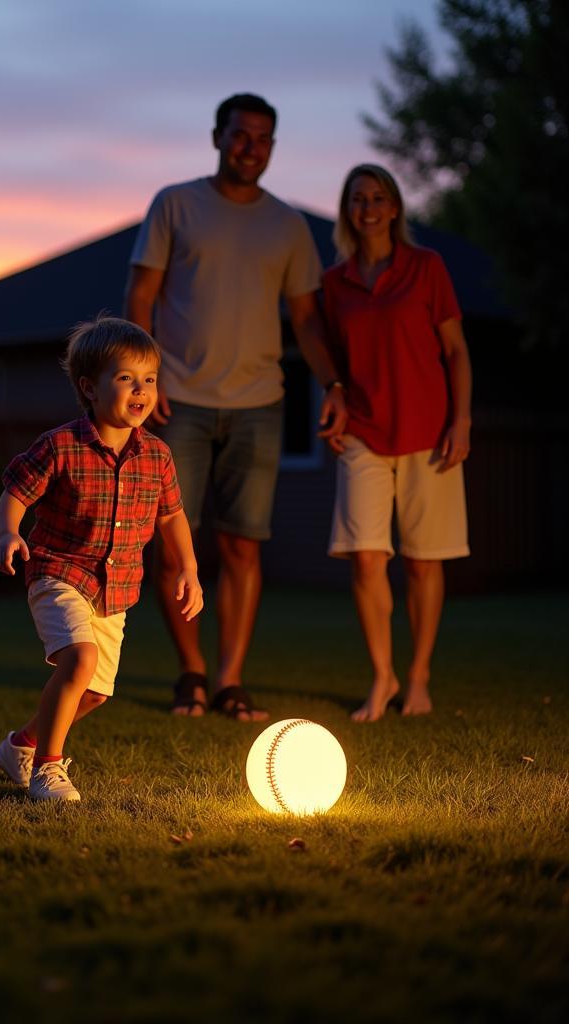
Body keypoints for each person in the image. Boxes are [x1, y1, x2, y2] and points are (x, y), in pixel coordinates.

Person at [124, 92, 347, 719]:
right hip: (178, 402)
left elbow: (306, 318)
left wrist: (333, 384)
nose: (251, 147)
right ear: (217, 136)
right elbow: (140, 295)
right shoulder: (176, 204)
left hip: (259, 405)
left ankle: (229, 679)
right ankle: (190, 673)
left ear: (272, 147)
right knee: (175, 544)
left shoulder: (288, 225)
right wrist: (147, 378)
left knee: (244, 546)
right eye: (240, 134)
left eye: (263, 138)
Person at [0, 317, 203, 802]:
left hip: (117, 588)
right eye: (126, 378)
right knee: (79, 658)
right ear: (89, 386)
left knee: (94, 691)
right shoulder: (61, 445)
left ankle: (20, 745)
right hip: (59, 571)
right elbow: (16, 491)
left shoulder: (157, 456)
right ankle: (47, 768)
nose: (141, 390)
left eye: (149, 379)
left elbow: (172, 518)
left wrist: (189, 568)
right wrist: (8, 532)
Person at [321, 164, 472, 722]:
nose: (368, 207)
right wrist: (334, 396)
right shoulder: (334, 284)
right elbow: (333, 360)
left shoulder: (427, 268)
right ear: (348, 209)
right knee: (365, 560)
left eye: (379, 197)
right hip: (363, 434)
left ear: (394, 207)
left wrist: (463, 421)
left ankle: (418, 676)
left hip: (430, 433)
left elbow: (456, 350)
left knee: (422, 563)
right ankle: (382, 676)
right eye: (358, 198)